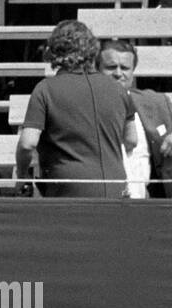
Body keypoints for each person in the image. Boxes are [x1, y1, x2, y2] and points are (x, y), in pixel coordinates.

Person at [15, 20, 138, 199]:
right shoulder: (118, 89)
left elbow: (27, 144)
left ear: (53, 51)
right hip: (116, 187)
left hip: (67, 191)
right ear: (92, 51)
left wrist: (21, 175)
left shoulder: (45, 89)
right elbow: (131, 140)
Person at [97, 39, 172, 199]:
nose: (118, 74)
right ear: (97, 69)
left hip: (149, 205)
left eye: (125, 68)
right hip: (101, 202)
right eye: (111, 67)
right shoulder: (84, 106)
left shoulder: (155, 103)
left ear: (133, 72)